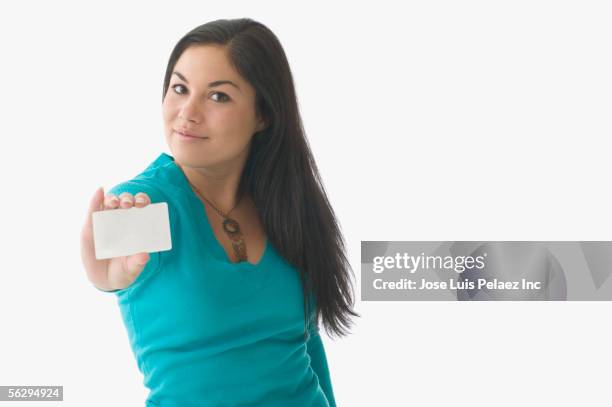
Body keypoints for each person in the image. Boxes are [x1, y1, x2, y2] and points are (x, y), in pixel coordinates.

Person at [80, 18, 358, 406]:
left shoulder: (284, 203)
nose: (186, 113)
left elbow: (306, 345)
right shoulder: (145, 204)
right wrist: (107, 278)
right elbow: (115, 265)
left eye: (218, 97)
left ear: (263, 115)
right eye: (179, 88)